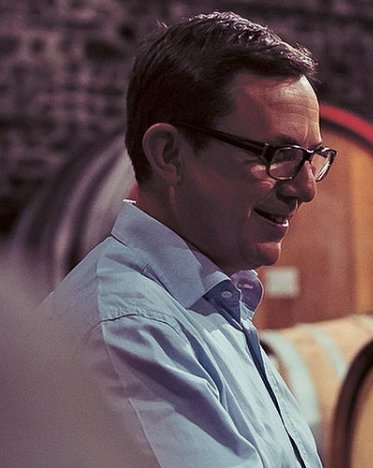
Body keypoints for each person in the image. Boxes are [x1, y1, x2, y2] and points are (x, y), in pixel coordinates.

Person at [35, 11, 334, 467]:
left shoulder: (208, 303)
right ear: (169, 154)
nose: (305, 187)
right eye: (279, 155)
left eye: (311, 156)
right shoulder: (130, 330)